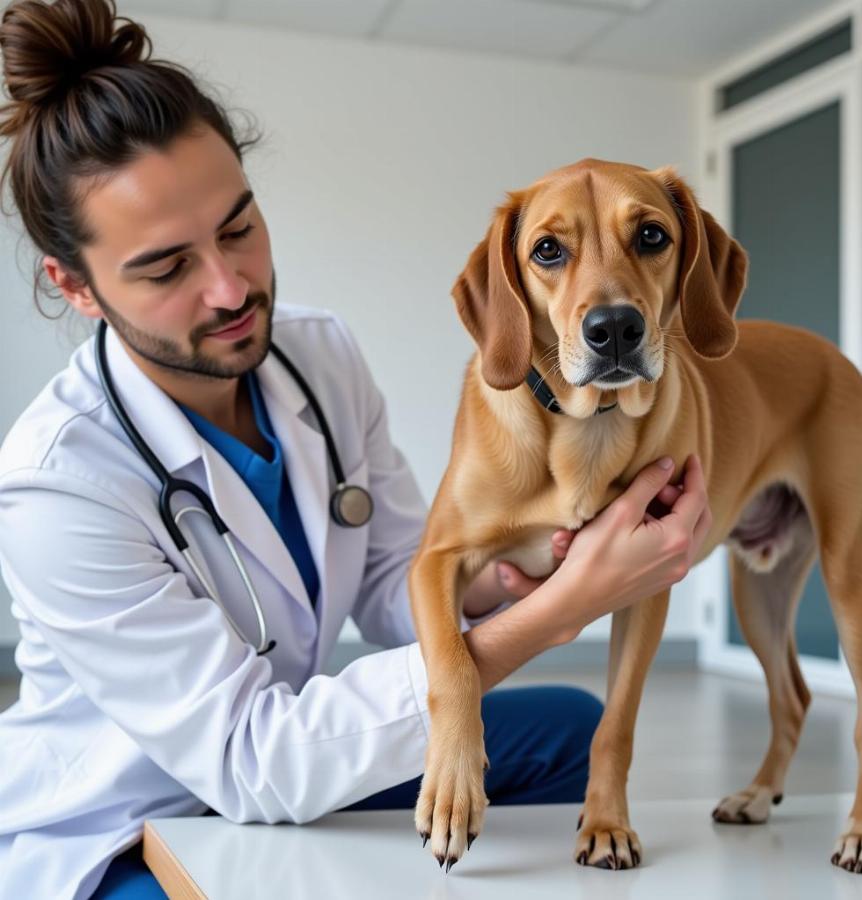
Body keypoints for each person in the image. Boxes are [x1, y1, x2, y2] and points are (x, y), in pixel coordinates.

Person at [0, 1, 713, 897]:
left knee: (570, 725)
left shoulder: (316, 354)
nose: (232, 288)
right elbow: (252, 761)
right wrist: (563, 612)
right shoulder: (54, 487)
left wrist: (512, 577)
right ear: (77, 286)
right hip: (133, 823)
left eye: (238, 228)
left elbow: (389, 586)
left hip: (294, 756)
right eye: (167, 266)